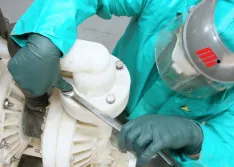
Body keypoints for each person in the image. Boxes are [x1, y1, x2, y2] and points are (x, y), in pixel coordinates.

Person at [4, 0, 234, 166]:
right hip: (109, 96)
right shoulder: (170, 3)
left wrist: (196, 139)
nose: (177, 70)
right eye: (181, 53)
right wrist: (47, 34)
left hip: (159, 149)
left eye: (198, 77)